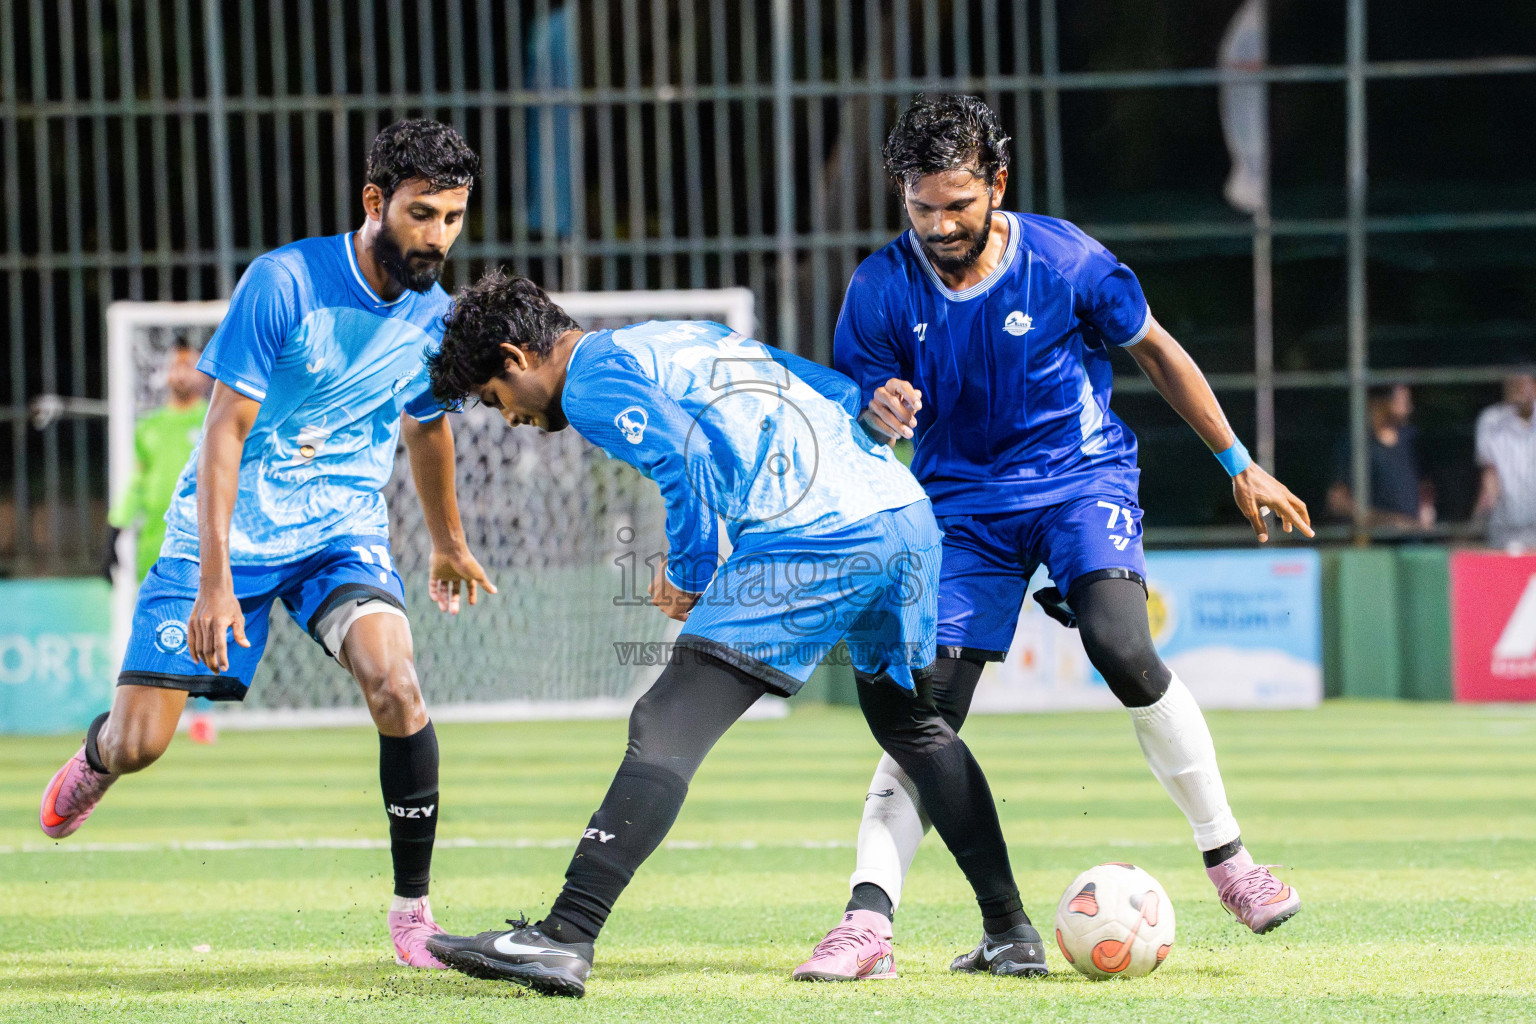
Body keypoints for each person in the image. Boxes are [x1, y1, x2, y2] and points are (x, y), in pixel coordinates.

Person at [420, 272, 1044, 997]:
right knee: (913, 726)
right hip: (901, 517)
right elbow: (819, 385)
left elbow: (687, 459)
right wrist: (876, 403)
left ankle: (564, 936)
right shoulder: (683, 334)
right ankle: (1010, 931)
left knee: (665, 720)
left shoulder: (590, 381)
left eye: (496, 402)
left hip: (814, 535)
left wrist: (689, 569)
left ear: (514, 356)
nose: (510, 419)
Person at [805, 93, 1312, 977]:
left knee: (1122, 645)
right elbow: (856, 408)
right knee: (923, 714)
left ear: (997, 184)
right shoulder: (880, 286)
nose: (939, 224)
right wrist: (873, 409)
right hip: (960, 507)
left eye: (958, 204)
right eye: (921, 206)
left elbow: (1155, 348)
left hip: (1080, 481)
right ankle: (868, 926)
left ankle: (1231, 862)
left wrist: (1238, 462)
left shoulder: (1066, 257)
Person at [38, 119, 494, 970]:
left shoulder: (435, 321)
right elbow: (222, 433)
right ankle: (97, 758)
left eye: (454, 218)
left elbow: (428, 431)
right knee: (142, 743)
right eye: (422, 214)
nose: (438, 237)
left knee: (397, 685)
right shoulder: (284, 282)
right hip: (226, 535)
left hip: (340, 534)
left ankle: (413, 915)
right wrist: (216, 581)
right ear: (374, 201)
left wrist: (447, 542)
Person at [106, 341, 211, 583]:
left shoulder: (213, 421)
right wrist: (115, 531)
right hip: (155, 544)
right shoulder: (149, 426)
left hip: (202, 546)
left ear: (204, 375)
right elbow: (137, 483)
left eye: (189, 365)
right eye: (176, 365)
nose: (181, 372)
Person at [1327, 383, 1436, 531]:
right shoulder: (1356, 444)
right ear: (1383, 402)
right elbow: (1338, 501)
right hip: (1373, 541)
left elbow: (1425, 483)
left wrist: (1426, 508)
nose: (1409, 408)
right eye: (1403, 402)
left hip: (1414, 539)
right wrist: (1385, 521)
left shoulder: (1411, 440)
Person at [1475, 372, 1536, 552]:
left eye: (1523, 382)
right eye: (1512, 382)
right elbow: (1490, 478)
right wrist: (1477, 522)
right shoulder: (1490, 421)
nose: (1517, 387)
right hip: (1505, 531)